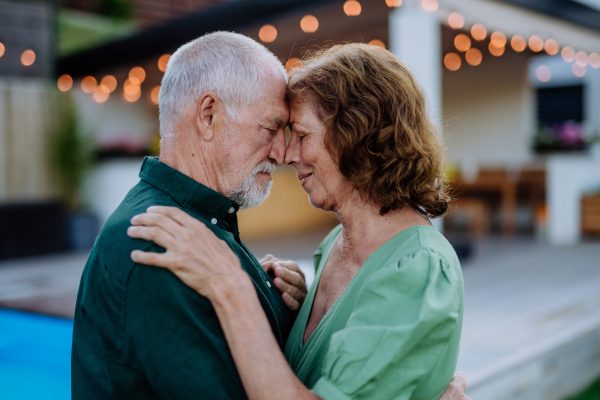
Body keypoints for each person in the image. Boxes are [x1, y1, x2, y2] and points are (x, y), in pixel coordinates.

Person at [127, 43, 468, 400]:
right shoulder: (336, 243)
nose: (287, 154)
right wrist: (297, 313)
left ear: (357, 135)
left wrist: (230, 286)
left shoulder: (418, 269)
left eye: (301, 136)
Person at [71, 32, 298, 399]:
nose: (282, 152)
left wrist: (284, 304)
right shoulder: (159, 242)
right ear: (208, 115)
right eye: (271, 128)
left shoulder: (198, 221)